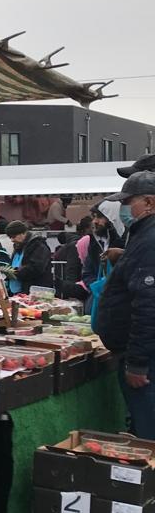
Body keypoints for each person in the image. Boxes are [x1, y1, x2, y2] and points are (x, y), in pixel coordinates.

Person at [95, 170, 155, 438]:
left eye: (127, 202)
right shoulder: (142, 235)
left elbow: (148, 305)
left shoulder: (150, 240)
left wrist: (137, 362)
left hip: (146, 360)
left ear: (149, 203)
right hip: (140, 353)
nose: (122, 209)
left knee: (148, 432)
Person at [1, 220, 52, 294]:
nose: (12, 240)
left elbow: (35, 268)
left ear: (23, 233)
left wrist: (13, 272)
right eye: (10, 237)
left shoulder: (39, 246)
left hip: (33, 292)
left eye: (14, 236)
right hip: (17, 292)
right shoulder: (18, 247)